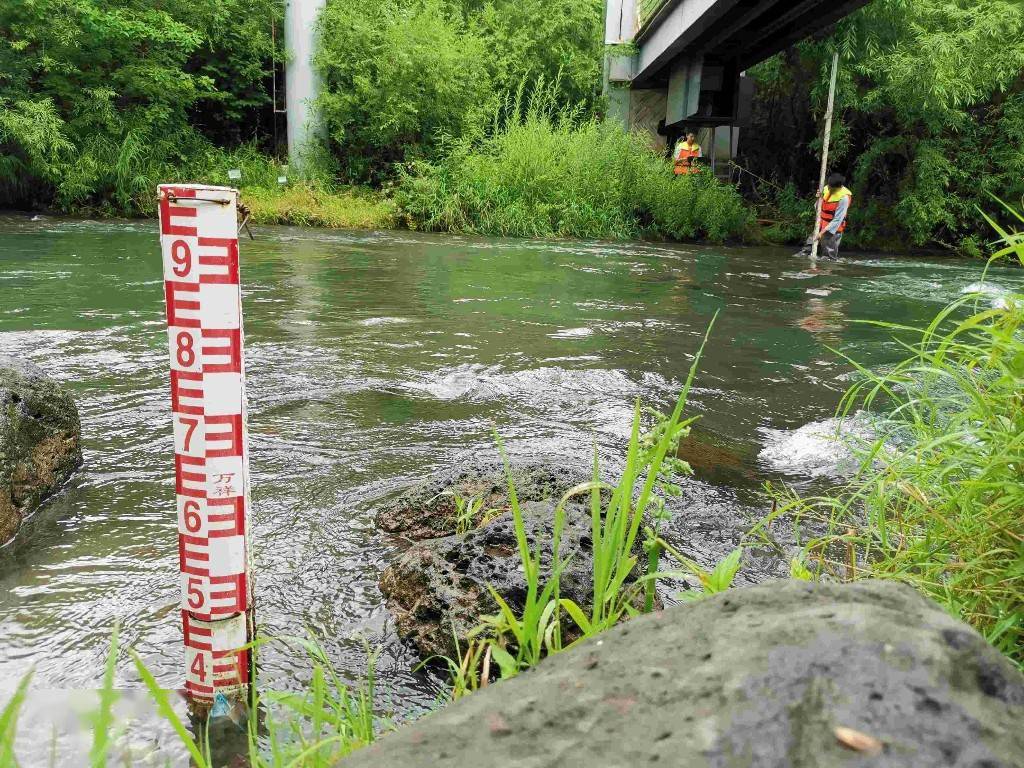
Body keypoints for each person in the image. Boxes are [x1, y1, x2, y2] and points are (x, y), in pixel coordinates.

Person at [813, 173, 852, 259]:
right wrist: (818, 198)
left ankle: (828, 267)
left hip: (833, 229)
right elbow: (817, 207)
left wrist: (822, 233)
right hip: (820, 224)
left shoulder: (844, 198)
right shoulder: (826, 188)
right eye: (829, 186)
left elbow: (837, 220)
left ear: (838, 187)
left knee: (828, 256)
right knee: (809, 245)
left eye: (831, 188)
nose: (829, 188)